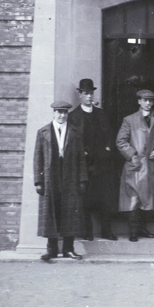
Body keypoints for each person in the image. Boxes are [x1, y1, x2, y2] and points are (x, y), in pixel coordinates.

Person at [34, 101, 87, 261]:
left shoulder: (75, 132)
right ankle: (51, 250)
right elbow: (38, 158)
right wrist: (38, 181)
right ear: (53, 113)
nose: (62, 115)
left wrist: (82, 179)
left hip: (70, 179)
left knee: (69, 212)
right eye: (59, 112)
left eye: (64, 112)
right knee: (51, 212)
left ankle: (68, 249)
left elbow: (81, 159)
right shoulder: (43, 132)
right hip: (51, 179)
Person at [67, 78, 118, 241]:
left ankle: (106, 231)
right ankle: (87, 231)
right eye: (86, 94)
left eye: (91, 93)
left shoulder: (101, 114)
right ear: (80, 95)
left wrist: (107, 151)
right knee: (85, 198)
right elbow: (72, 140)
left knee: (105, 197)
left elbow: (109, 137)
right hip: (84, 164)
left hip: (102, 164)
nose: (89, 97)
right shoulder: (73, 116)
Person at [116, 89, 154, 242]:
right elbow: (121, 141)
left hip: (149, 166)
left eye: (151, 101)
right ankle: (133, 231)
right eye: (145, 100)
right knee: (133, 199)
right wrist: (133, 155)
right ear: (139, 101)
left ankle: (143, 229)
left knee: (146, 199)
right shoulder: (129, 120)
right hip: (135, 166)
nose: (148, 103)